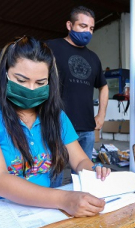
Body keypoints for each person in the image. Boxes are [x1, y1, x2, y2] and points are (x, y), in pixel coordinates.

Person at [0, 36, 110, 218]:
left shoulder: (56, 116)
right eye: (21, 80)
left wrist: (95, 171)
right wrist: (64, 199)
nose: (31, 89)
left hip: (36, 212)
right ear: (5, 74)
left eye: (40, 83)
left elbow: (80, 161)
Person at [46, 6, 109, 161]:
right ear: (69, 25)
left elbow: (104, 86)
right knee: (54, 179)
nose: (87, 32)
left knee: (84, 177)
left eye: (91, 28)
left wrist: (101, 115)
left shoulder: (93, 58)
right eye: (83, 26)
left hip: (87, 128)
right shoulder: (50, 48)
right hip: (57, 126)